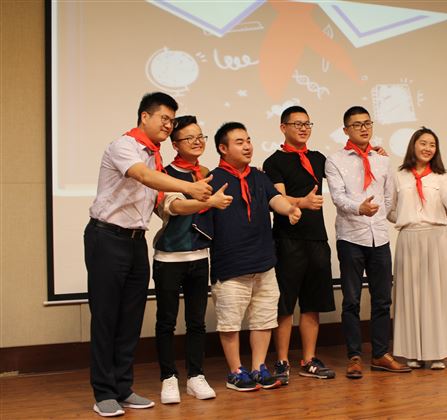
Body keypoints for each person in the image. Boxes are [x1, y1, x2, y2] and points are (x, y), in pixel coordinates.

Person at [84, 92, 213, 417]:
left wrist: (199, 202)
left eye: (172, 120)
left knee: (131, 317)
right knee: (106, 316)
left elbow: (161, 203)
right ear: (145, 116)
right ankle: (104, 393)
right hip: (107, 237)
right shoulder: (124, 146)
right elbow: (142, 176)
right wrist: (188, 187)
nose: (169, 125)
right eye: (164, 119)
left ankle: (123, 388)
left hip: (136, 241)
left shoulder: (155, 157)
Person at [209, 122, 302, 392]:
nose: (247, 146)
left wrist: (290, 209)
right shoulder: (212, 179)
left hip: (264, 262)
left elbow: (275, 198)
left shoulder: (259, 177)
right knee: (230, 322)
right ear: (223, 148)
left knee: (264, 319)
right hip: (230, 264)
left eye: (248, 140)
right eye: (239, 142)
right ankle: (235, 371)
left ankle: (259, 367)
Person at [325, 106, 411, 379]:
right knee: (351, 300)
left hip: (380, 237)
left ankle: (380, 354)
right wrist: (359, 208)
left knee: (382, 299)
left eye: (367, 123)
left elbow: (388, 197)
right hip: (351, 236)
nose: (363, 128)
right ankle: (354, 356)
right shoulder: (335, 160)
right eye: (357, 124)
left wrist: (380, 215)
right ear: (346, 130)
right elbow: (337, 197)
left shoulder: (382, 160)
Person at [153, 115, 233, 404]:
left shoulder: (206, 172)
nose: (197, 142)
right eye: (190, 138)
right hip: (169, 258)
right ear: (175, 144)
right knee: (166, 322)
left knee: (197, 322)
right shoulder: (164, 173)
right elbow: (174, 207)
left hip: (200, 256)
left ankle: (195, 376)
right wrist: (207, 201)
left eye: (200, 136)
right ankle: (168, 378)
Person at [263, 106, 336, 384]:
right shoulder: (274, 161)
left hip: (317, 238)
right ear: (283, 127)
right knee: (284, 304)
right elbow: (277, 198)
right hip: (287, 239)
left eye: (307, 124)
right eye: (297, 124)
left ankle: (309, 359)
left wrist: (373, 154)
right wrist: (302, 203)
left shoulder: (318, 158)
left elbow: (345, 174)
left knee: (312, 303)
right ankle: (282, 361)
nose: (304, 128)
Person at [387, 127, 447, 370]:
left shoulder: (441, 177)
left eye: (432, 144)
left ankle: (437, 352)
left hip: (437, 239)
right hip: (409, 239)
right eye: (423, 143)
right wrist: (407, 218)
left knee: (436, 296)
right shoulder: (398, 176)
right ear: (413, 145)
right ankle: (413, 352)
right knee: (411, 296)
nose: (428, 148)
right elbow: (390, 210)